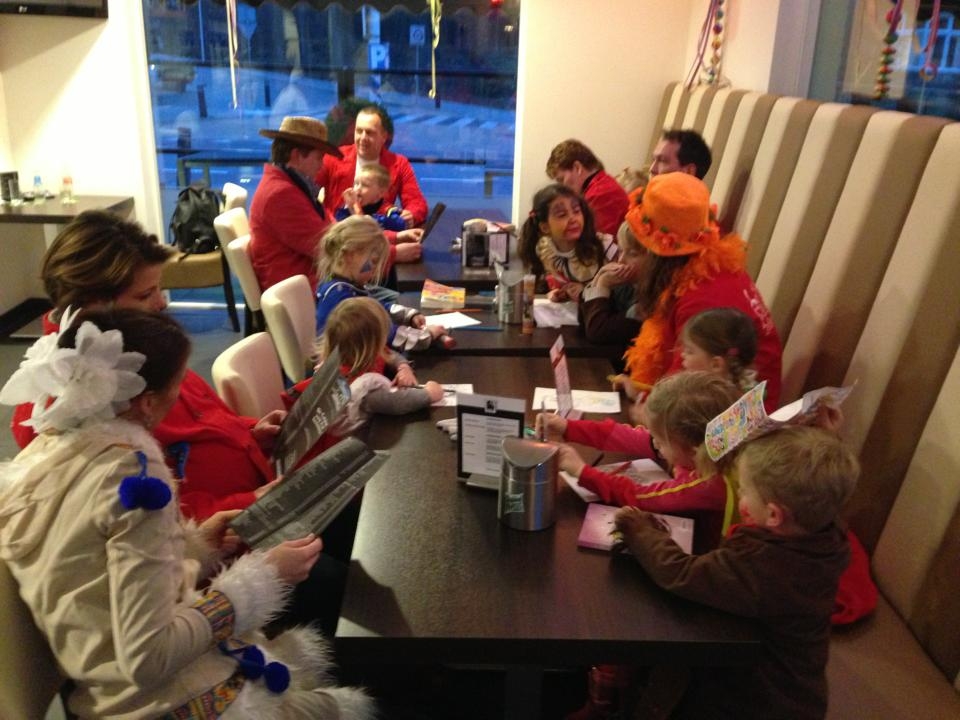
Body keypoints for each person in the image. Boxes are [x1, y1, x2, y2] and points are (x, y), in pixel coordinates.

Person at [0, 308, 374, 719]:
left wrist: (198, 547)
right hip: (163, 702)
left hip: (102, 683)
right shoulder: (135, 482)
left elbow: (94, 576)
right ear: (147, 403)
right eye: (178, 386)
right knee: (364, 697)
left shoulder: (49, 454)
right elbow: (148, 657)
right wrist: (263, 577)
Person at [9, 211, 288, 522]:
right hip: (230, 530)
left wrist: (250, 433)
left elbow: (202, 422)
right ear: (92, 307)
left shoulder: (134, 346)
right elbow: (135, 523)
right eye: (145, 294)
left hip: (258, 491)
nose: (161, 302)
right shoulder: (68, 403)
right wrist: (249, 501)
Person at [615, 425, 859, 720]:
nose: (740, 495)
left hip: (755, 700)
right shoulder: (823, 537)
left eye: (744, 490)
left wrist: (638, 529)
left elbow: (679, 573)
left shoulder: (764, 564)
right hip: (797, 692)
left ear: (773, 515)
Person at [618, 172, 782, 410]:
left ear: (655, 254)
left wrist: (644, 407)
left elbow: (682, 396)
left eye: (638, 249)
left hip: (734, 422)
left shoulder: (701, 300)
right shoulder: (703, 275)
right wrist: (642, 389)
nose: (622, 260)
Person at [538, 371, 743, 555]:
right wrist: (568, 427)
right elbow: (627, 436)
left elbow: (639, 497)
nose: (654, 442)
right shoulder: (698, 449)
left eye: (660, 440)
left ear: (692, 449)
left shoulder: (706, 484)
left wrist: (582, 471)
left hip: (700, 555)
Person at [579, 129, 712, 347]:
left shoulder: (687, 240)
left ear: (688, 171)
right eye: (653, 159)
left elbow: (603, 331)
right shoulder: (652, 217)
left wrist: (600, 288)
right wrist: (598, 284)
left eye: (662, 161)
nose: (652, 168)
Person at [315, 216, 452, 352]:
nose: (375, 270)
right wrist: (428, 335)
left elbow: (377, 308)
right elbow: (387, 334)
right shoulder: (341, 298)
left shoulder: (343, 285)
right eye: (374, 262)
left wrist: (409, 316)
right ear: (350, 256)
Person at [320, 297, 444, 435]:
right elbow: (395, 403)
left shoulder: (353, 355)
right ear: (372, 344)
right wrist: (429, 394)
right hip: (359, 439)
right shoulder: (359, 387)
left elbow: (389, 354)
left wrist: (403, 367)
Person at [249, 115, 342, 293]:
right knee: (386, 298)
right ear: (296, 155)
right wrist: (390, 251)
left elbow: (329, 228)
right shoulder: (281, 195)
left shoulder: (288, 185)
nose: (321, 165)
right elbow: (330, 248)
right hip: (304, 294)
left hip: (308, 285)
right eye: (319, 158)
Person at [316, 104, 428, 227]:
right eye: (359, 131)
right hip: (337, 230)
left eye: (369, 133)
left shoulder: (399, 163)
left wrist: (411, 215)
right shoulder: (334, 157)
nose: (363, 137)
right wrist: (326, 219)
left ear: (384, 136)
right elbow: (308, 192)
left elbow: (417, 202)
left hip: (380, 232)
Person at [517, 183, 619, 302]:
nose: (573, 219)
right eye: (562, 215)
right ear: (545, 227)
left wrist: (586, 291)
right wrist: (555, 293)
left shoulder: (603, 247)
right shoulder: (545, 251)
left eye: (576, 211)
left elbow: (622, 291)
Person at [334, 161, 425, 282]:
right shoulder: (347, 211)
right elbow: (348, 229)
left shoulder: (387, 210)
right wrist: (353, 208)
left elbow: (396, 224)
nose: (357, 189)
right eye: (356, 184)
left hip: (382, 272)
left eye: (364, 185)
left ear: (380, 193)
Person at [546, 139, 629, 235]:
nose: (562, 187)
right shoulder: (603, 183)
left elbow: (595, 241)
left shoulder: (598, 195)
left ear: (577, 168)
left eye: (561, 179)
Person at [680, 306, 758, 392]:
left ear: (716, 364)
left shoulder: (704, 398)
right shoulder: (748, 390)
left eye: (689, 351)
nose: (682, 354)